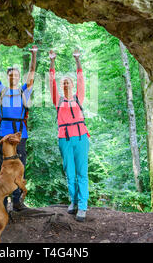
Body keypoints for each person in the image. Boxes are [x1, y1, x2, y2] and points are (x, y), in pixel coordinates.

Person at [0, 42, 37, 211]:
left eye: (16, 75)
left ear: (19, 78)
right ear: (8, 77)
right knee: (1, 169)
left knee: (19, 168)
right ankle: (1, 202)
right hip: (3, 134)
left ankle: (17, 202)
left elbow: (32, 73)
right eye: (11, 75)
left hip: (20, 135)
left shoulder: (24, 91)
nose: (14, 77)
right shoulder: (1, 90)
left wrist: (34, 54)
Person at [49, 48, 90, 222]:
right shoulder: (57, 100)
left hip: (81, 139)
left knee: (82, 172)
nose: (66, 84)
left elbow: (81, 78)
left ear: (72, 85)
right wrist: (52, 61)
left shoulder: (78, 98)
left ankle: (82, 206)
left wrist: (77, 59)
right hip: (64, 139)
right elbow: (51, 81)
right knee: (70, 173)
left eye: (68, 82)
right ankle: (73, 201)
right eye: (63, 83)